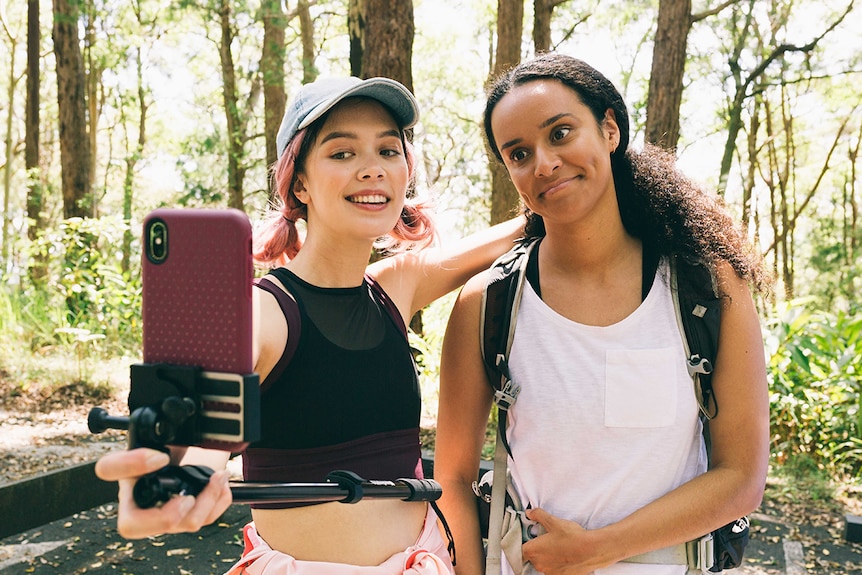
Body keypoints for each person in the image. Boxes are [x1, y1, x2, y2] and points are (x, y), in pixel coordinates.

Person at [95, 75, 525, 575]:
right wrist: (183, 474)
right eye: (341, 154)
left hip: (427, 560)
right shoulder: (262, 311)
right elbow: (207, 426)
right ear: (299, 182)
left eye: (389, 151)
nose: (372, 169)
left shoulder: (396, 286)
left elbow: (526, 223)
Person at [433, 53, 770, 575]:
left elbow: (741, 476)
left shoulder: (707, 287)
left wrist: (600, 548)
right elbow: (452, 478)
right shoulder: (489, 303)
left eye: (561, 133)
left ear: (609, 129)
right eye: (519, 153)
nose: (543, 163)